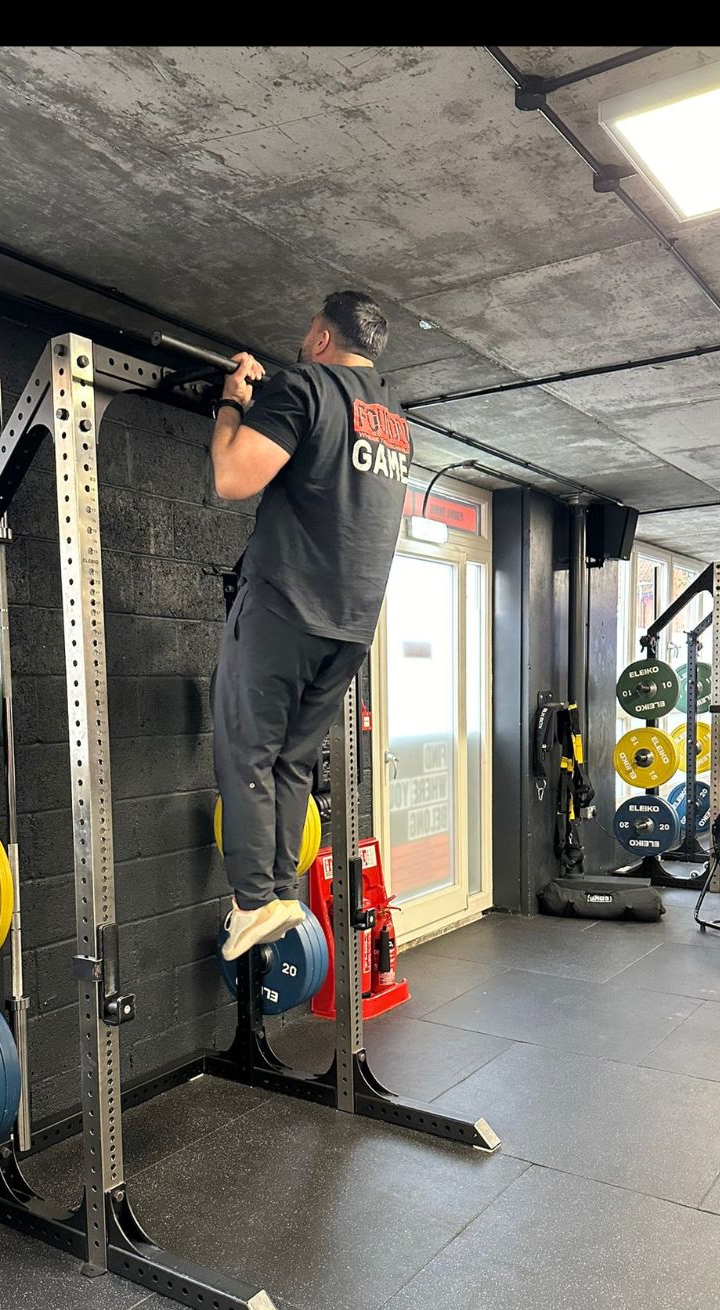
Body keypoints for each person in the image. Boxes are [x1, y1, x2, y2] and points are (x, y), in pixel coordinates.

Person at [207, 291, 411, 960]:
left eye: (306, 332)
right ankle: (279, 891)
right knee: (292, 761)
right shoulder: (395, 423)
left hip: (286, 607)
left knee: (246, 753)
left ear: (322, 337)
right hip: (351, 625)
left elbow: (235, 477)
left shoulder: (305, 385)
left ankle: (251, 904)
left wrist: (235, 400)